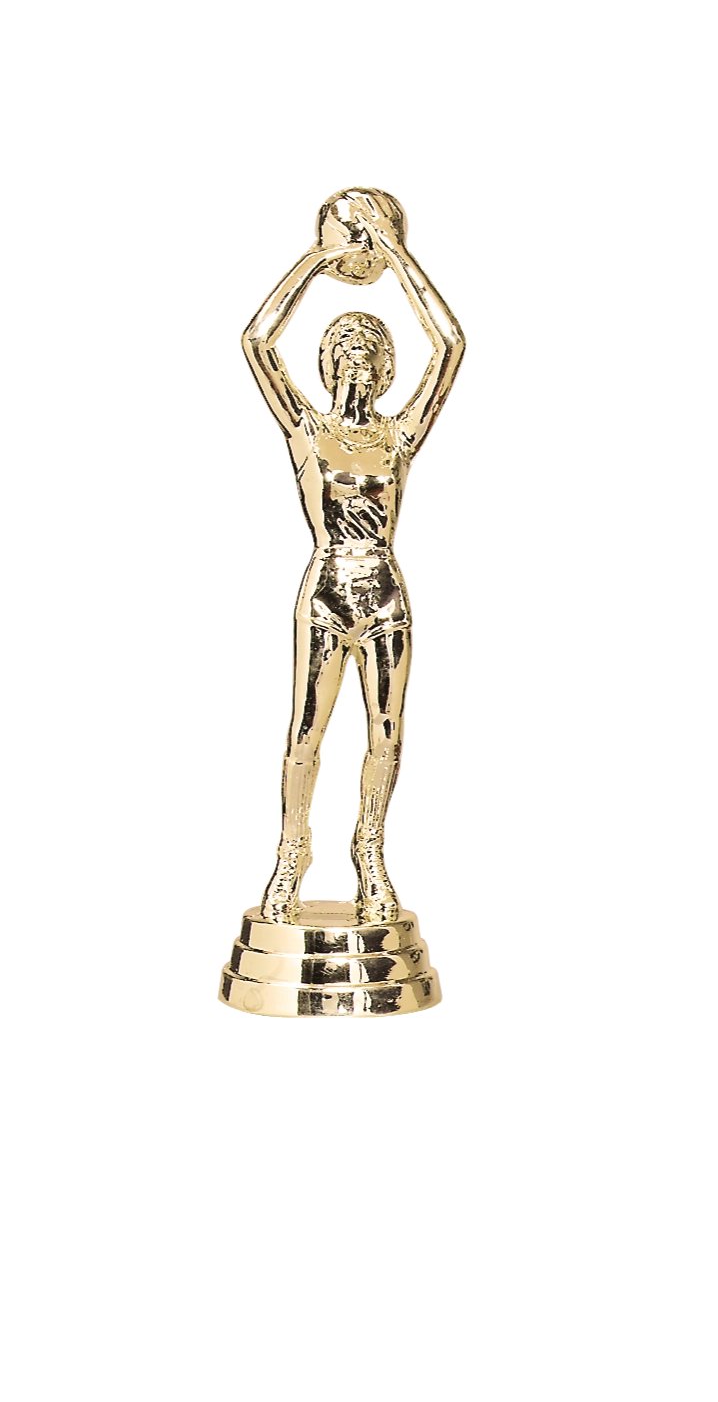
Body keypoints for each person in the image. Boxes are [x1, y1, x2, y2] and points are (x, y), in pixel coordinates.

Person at [242, 197, 465, 923]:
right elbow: (257, 341)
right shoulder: (308, 432)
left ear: (386, 368)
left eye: (371, 352)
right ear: (329, 362)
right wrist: (323, 258)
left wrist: (394, 254)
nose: (358, 362)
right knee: (306, 730)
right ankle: (291, 853)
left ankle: (370, 852)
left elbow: (451, 346)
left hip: (385, 590)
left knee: (386, 731)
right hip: (328, 586)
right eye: (346, 350)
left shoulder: (398, 437)